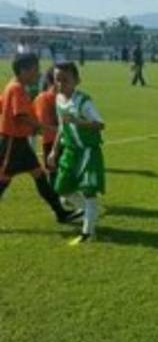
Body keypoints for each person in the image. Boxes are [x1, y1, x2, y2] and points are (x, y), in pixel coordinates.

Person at [0, 53, 79, 225]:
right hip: (12, 144)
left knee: (40, 176)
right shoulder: (16, 88)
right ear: (23, 70)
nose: (39, 74)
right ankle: (60, 213)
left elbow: (4, 105)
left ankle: (60, 213)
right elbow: (21, 116)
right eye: (35, 70)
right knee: (2, 181)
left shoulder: (14, 86)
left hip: (21, 143)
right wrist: (48, 128)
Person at [50, 62, 105, 245]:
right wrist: (53, 151)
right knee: (62, 189)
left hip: (88, 152)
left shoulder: (84, 101)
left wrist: (78, 121)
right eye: (57, 80)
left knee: (89, 192)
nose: (60, 84)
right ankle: (89, 211)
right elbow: (61, 127)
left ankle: (88, 232)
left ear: (77, 81)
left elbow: (100, 124)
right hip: (70, 151)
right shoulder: (58, 99)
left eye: (65, 80)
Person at [33, 66, 59, 186]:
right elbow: (42, 122)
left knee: (55, 170)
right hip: (53, 139)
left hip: (52, 139)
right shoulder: (45, 98)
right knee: (54, 170)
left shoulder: (43, 97)